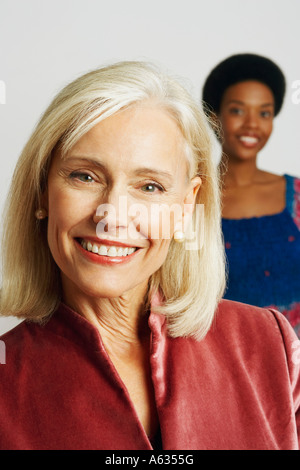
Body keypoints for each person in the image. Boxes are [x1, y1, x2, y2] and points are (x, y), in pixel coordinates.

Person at [0, 61, 299, 450]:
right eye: (85, 176)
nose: (112, 216)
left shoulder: (269, 345)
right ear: (42, 191)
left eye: (150, 187)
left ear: (187, 205)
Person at [202, 53, 300, 338]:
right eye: (237, 110)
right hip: (223, 361)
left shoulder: (296, 195)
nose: (252, 124)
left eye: (264, 113)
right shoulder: (192, 197)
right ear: (214, 117)